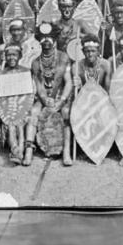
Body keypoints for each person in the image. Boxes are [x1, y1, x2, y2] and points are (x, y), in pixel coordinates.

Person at [29, 22, 74, 166]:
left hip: (61, 96)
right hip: (44, 98)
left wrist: (61, 100)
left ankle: (66, 151)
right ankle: (28, 150)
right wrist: (44, 99)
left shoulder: (63, 58)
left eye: (49, 37)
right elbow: (39, 85)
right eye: (43, 38)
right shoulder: (36, 62)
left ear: (55, 39)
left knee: (66, 112)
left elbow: (68, 82)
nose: (46, 41)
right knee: (33, 112)